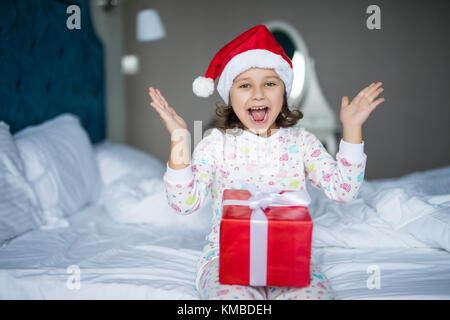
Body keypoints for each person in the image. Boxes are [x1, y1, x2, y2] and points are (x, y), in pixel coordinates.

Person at [148, 25, 385, 300]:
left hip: (291, 254)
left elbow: (343, 191)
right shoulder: (215, 144)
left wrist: (352, 129)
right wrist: (179, 137)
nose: (258, 94)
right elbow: (183, 203)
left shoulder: (302, 142)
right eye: (245, 84)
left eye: (270, 83)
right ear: (230, 96)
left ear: (283, 93)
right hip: (225, 257)